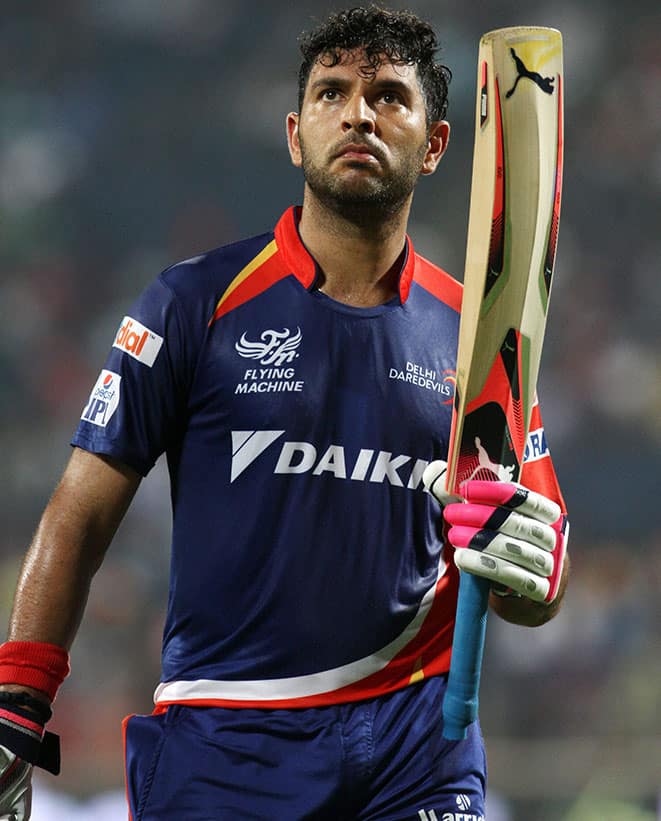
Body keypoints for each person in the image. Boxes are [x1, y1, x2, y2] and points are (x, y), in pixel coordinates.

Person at [0, 6, 569, 820]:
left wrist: (525, 563)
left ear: (435, 145)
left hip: (417, 751)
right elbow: (79, 515)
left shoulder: (480, 337)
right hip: (225, 743)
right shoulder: (195, 301)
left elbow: (537, 583)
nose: (359, 113)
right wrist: (18, 704)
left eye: (389, 97)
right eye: (333, 93)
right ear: (296, 134)